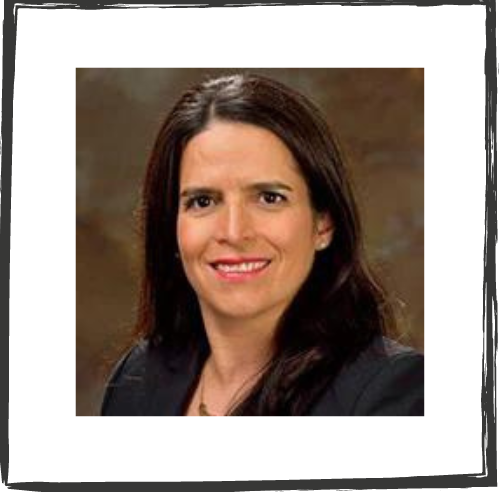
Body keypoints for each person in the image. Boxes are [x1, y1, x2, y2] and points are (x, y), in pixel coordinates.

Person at [101, 73, 424, 416]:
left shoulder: (393, 393)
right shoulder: (136, 379)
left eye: (269, 197)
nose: (234, 231)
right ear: (172, 228)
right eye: (203, 201)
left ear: (323, 223)